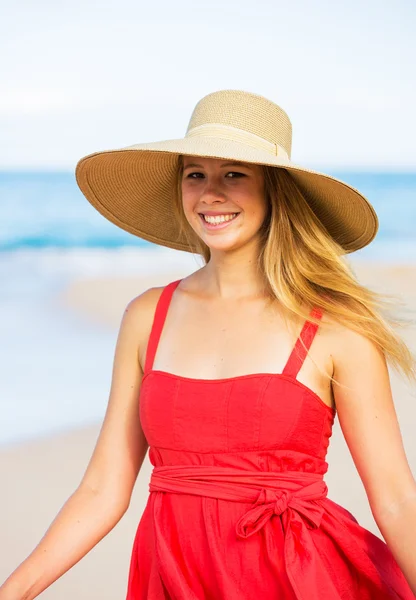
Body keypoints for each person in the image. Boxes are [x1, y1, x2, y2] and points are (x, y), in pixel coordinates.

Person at [1, 90, 416, 599]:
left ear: (274, 191)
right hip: (173, 575)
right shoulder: (146, 316)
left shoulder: (337, 328)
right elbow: (102, 490)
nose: (209, 193)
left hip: (296, 578)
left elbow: (396, 500)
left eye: (234, 174)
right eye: (194, 174)